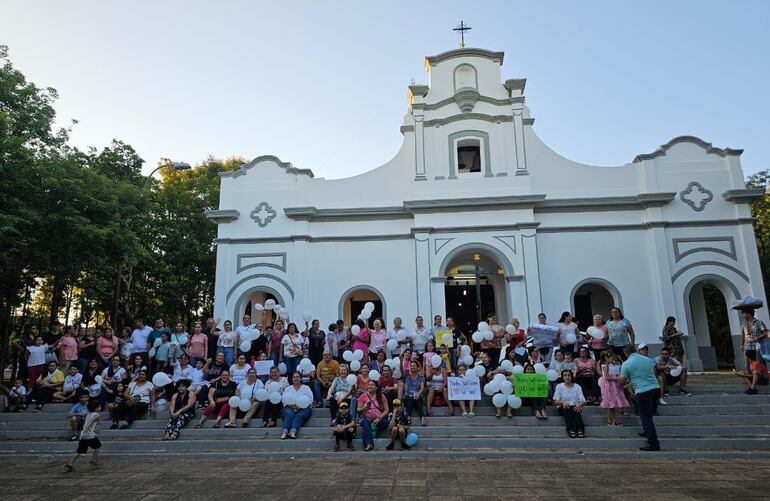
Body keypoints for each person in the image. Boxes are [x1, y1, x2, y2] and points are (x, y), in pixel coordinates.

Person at [620, 345, 661, 451]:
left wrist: (626, 384)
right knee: (649, 416)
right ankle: (647, 431)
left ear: (625, 353)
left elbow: (622, 381)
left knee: (646, 418)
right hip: (656, 388)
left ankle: (653, 444)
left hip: (642, 391)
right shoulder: (647, 359)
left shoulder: (626, 364)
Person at [63, 399, 101, 472]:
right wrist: (86, 431)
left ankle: (69, 465)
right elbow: (89, 423)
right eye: (99, 406)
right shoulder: (96, 415)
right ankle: (93, 460)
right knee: (98, 446)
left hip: (83, 436)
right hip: (89, 435)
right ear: (96, 408)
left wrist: (84, 433)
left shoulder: (88, 414)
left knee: (79, 451)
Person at [552, 369, 586, 438]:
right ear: (562, 377)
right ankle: (571, 429)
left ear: (571, 377)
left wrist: (580, 404)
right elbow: (555, 401)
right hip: (563, 407)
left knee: (576, 409)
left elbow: (583, 400)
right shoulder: (559, 386)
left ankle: (580, 429)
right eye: (565, 375)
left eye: (569, 375)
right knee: (567, 409)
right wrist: (563, 402)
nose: (567, 377)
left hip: (574, 406)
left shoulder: (577, 386)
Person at [599, 351, 629, 426]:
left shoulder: (613, 365)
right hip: (608, 386)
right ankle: (609, 421)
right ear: (606, 358)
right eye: (609, 357)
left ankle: (614, 420)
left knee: (613, 404)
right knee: (609, 404)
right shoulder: (605, 366)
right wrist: (616, 378)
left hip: (613, 386)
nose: (611, 358)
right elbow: (606, 377)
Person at [280, 372, 314, 439]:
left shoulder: (306, 388)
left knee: (300, 414)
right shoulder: (288, 389)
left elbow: (310, 400)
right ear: (292, 379)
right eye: (294, 377)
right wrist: (291, 406)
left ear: (301, 378)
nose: (295, 378)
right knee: (289, 413)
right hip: (289, 407)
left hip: (304, 408)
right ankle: (285, 431)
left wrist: (301, 406)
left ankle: (293, 431)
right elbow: (284, 400)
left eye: (297, 377)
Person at [358, 380, 389, 451]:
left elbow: (386, 410)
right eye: (369, 385)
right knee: (366, 423)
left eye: (372, 385)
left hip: (378, 418)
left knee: (386, 423)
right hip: (367, 418)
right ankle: (369, 444)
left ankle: (374, 430)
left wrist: (379, 418)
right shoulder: (363, 396)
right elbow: (358, 409)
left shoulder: (381, 396)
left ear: (376, 387)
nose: (370, 386)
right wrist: (364, 407)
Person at [740, 308, 768, 377]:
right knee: (748, 364)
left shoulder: (759, 322)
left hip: (757, 347)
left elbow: (765, 333)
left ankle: (764, 378)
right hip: (747, 347)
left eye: (744, 313)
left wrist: (757, 338)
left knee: (759, 363)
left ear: (748, 314)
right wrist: (741, 345)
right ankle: (751, 379)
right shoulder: (744, 323)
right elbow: (742, 334)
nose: (743, 315)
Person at [399, 360, 427, 426]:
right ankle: (408, 416)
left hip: (417, 396)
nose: (412, 367)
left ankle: (422, 418)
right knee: (410, 399)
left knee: (417, 399)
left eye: (414, 366)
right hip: (407, 397)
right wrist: (401, 360)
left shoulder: (421, 377)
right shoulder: (407, 375)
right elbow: (401, 370)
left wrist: (419, 393)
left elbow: (422, 387)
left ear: (417, 367)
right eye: (411, 366)